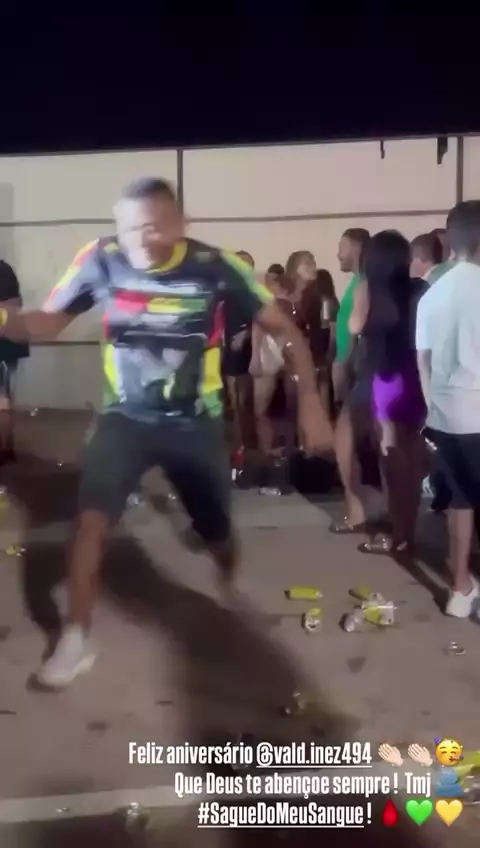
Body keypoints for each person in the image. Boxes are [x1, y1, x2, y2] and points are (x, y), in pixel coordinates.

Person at [0, 177, 332, 686]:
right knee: (89, 523)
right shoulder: (101, 259)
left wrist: (309, 401)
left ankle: (228, 581)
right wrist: (6, 319)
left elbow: (285, 330)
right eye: (131, 229)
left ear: (181, 225)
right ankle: (76, 637)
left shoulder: (216, 266)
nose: (141, 240)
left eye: (154, 227)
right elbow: (46, 323)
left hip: (193, 423)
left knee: (215, 529)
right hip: (125, 419)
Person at [416, 200, 480, 617]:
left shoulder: (433, 293)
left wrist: (432, 410)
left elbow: (422, 360)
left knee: (460, 501)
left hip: (444, 413)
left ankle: (460, 588)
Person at [349, 231, 426, 554]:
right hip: (415, 376)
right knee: (413, 454)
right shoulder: (420, 289)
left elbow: (354, 326)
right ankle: (408, 528)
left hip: (384, 378)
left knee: (391, 457)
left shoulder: (370, 290)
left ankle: (397, 532)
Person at [329, 228, 371, 534]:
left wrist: (345, 367)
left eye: (342, 247)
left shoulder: (363, 284)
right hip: (353, 370)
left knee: (345, 441)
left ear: (356, 249)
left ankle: (357, 513)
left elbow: (356, 331)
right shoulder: (357, 283)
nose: (338, 254)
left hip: (356, 372)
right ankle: (360, 510)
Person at [222, 249, 255, 473]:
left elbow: (263, 320)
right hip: (228, 353)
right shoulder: (227, 291)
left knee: (245, 405)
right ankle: (237, 449)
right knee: (233, 406)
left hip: (249, 352)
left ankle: (245, 451)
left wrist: (247, 333)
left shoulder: (254, 292)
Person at [0, 260, 29, 463]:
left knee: (2, 399)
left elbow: (10, 305)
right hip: (11, 343)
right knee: (5, 398)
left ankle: (4, 449)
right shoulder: (5, 269)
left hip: (4, 344)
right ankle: (7, 448)